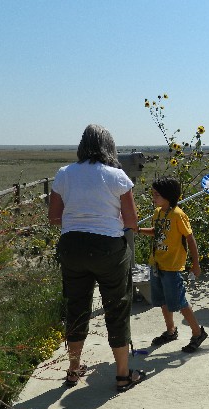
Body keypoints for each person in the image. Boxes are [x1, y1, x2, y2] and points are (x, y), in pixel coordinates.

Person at [48, 124, 145, 392]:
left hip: (72, 247)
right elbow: (132, 222)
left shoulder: (64, 174)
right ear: (109, 146)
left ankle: (73, 369)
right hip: (109, 249)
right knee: (117, 308)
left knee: (76, 307)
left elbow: (55, 217)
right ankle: (123, 375)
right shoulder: (118, 177)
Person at [133, 177, 208, 353]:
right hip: (157, 265)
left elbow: (190, 238)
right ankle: (170, 330)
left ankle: (198, 333)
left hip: (172, 267)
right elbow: (156, 232)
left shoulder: (178, 215)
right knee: (163, 301)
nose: (153, 197)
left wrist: (195, 263)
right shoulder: (158, 212)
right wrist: (139, 230)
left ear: (167, 196)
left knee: (179, 302)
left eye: (156, 194)